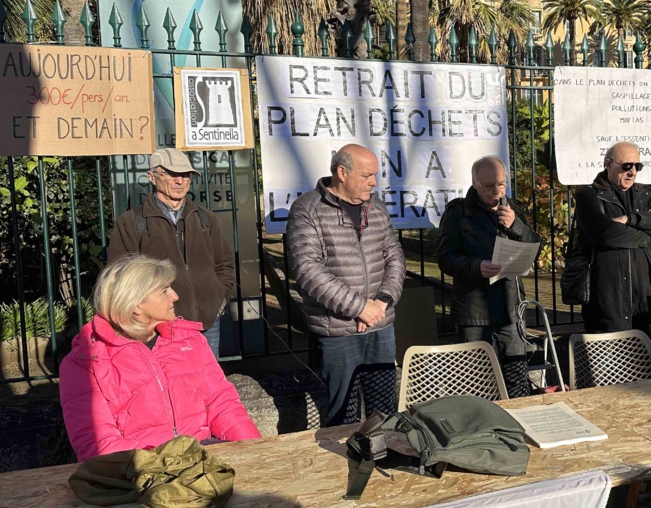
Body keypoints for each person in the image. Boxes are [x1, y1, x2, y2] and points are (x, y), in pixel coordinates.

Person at [59, 254, 260, 462]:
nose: (175, 296)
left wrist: (254, 450)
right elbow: (98, 443)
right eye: (164, 290)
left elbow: (222, 403)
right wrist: (170, 465)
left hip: (203, 458)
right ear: (136, 304)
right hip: (138, 472)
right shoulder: (86, 362)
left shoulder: (189, 340)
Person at [287, 144, 405, 427]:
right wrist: (359, 308)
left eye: (375, 175)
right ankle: (346, 467)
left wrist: (382, 302)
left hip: (381, 324)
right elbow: (308, 270)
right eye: (367, 176)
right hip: (338, 331)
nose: (374, 182)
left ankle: (385, 462)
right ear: (342, 172)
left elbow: (395, 256)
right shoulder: (307, 210)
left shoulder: (375, 207)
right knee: (343, 414)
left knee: (385, 413)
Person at [107, 148, 234, 359]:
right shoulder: (131, 223)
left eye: (185, 175)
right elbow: (119, 277)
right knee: (164, 387)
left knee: (207, 386)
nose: (180, 181)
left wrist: (219, 300)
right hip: (157, 327)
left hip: (206, 323)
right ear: (151, 177)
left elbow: (224, 264)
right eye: (172, 174)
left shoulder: (206, 218)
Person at [438, 156, 539, 398]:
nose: (497, 191)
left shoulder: (513, 208)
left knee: (516, 379)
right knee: (478, 381)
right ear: (474, 183)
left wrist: (516, 225)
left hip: (510, 309)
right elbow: (445, 258)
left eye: (502, 184)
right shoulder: (458, 212)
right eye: (489, 186)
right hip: (475, 312)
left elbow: (534, 245)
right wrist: (476, 267)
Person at [573, 141, 651, 342]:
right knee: (612, 362)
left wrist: (632, 219)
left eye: (637, 166)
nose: (632, 172)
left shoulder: (645, 193)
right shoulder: (588, 196)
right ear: (608, 164)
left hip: (648, 298)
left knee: (650, 364)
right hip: (610, 299)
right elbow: (605, 234)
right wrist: (648, 234)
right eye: (626, 165)